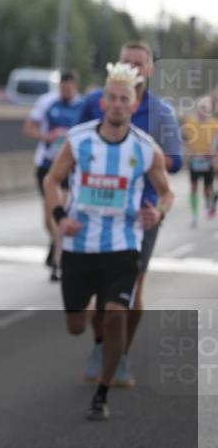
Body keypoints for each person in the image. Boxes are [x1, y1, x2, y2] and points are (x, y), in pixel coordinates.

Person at [43, 62, 174, 420]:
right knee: (75, 325)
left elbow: (167, 192)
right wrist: (59, 218)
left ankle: (102, 391)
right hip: (79, 243)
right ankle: (93, 320)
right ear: (102, 103)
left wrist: (158, 212)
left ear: (134, 104)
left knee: (117, 313)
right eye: (111, 98)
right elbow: (52, 181)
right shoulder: (79, 139)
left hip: (123, 241)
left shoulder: (146, 148)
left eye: (124, 99)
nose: (117, 105)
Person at [73, 41, 182, 387]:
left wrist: (137, 156)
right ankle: (101, 344)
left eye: (139, 63)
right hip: (92, 208)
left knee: (130, 289)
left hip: (140, 212)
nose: (132, 68)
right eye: (126, 62)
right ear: (115, 66)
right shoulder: (94, 102)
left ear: (150, 70)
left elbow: (176, 161)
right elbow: (71, 146)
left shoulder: (160, 113)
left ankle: (119, 356)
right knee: (95, 293)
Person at [23, 70, 84, 281]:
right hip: (47, 165)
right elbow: (29, 127)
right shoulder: (47, 102)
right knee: (48, 217)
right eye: (62, 87)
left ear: (75, 87)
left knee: (61, 210)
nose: (65, 91)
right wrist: (46, 136)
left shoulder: (82, 106)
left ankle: (58, 262)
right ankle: (56, 242)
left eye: (70, 88)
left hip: (70, 167)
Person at [181, 96, 218, 225]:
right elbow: (184, 140)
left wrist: (215, 159)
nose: (203, 111)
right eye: (201, 108)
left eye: (205, 108)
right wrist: (186, 156)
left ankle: (210, 206)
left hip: (208, 161)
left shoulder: (215, 124)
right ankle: (195, 215)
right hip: (195, 160)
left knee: (207, 188)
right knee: (193, 188)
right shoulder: (190, 123)